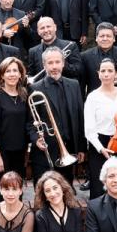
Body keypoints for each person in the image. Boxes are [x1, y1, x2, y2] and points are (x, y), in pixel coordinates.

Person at [29, 46, 86, 186]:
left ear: (63, 63)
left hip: (68, 150)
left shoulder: (74, 85)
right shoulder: (35, 88)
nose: (54, 66)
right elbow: (29, 122)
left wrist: (80, 147)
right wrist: (36, 139)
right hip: (46, 151)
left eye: (57, 62)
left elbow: (80, 118)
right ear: (44, 65)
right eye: (50, 63)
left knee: (66, 189)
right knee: (43, 192)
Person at [84, 58, 117, 199]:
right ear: (98, 74)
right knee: (98, 188)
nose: (106, 74)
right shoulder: (92, 97)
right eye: (103, 71)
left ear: (116, 74)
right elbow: (89, 129)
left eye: (110, 71)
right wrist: (101, 148)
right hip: (99, 144)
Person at [0, 57, 30, 196]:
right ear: (2, 75)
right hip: (2, 152)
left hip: (20, 151)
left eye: (15, 71)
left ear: (20, 74)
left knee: (17, 189)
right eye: (8, 71)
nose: (12, 74)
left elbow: (27, 124)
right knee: (2, 190)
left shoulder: (24, 95)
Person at [27, 16, 83, 83]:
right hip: (43, 90)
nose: (46, 30)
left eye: (48, 26)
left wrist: (60, 62)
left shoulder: (70, 46)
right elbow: (31, 74)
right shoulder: (33, 51)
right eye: (42, 28)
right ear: (38, 31)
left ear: (55, 27)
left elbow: (78, 70)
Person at [80, 23, 117, 95]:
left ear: (114, 39)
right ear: (96, 38)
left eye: (108, 36)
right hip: (94, 100)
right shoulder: (85, 56)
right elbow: (82, 84)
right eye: (102, 36)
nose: (105, 39)